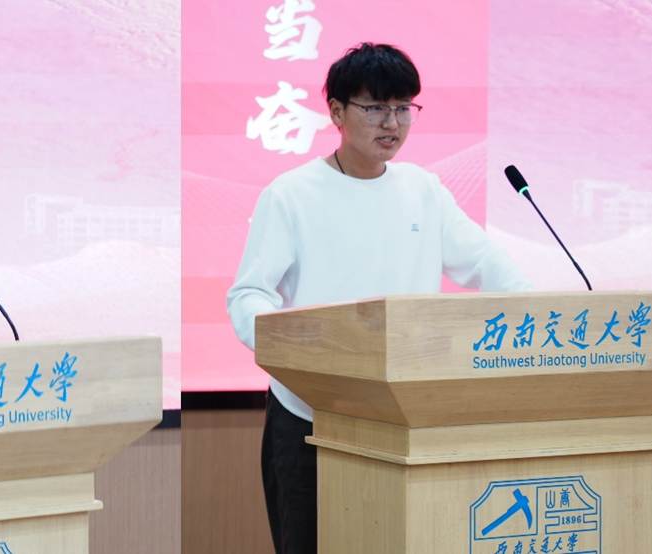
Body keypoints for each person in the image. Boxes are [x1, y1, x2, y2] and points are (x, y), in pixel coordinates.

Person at [226, 42, 532, 554]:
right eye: (374, 108)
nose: (391, 123)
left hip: (406, 412)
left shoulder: (423, 189)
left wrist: (533, 312)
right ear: (336, 112)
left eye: (403, 108)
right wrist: (297, 348)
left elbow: (485, 263)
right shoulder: (291, 194)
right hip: (312, 412)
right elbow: (249, 294)